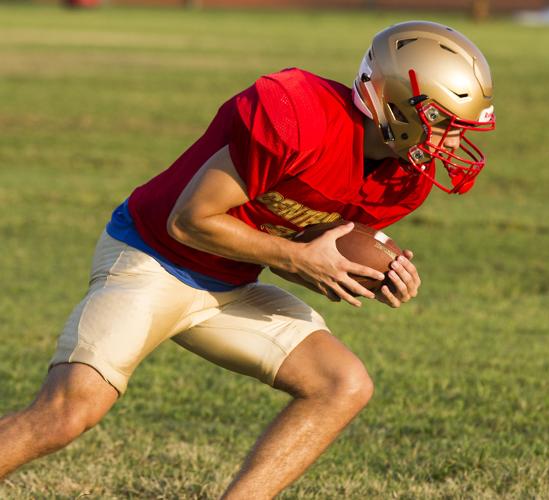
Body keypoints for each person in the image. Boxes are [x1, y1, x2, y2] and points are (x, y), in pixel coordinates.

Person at [0, 20, 494, 498]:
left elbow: (292, 241)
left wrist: (361, 274)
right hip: (151, 258)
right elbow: (189, 221)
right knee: (66, 413)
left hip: (229, 285)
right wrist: (303, 260)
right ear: (397, 105)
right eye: (444, 123)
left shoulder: (402, 181)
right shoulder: (299, 117)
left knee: (343, 385)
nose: (453, 142)